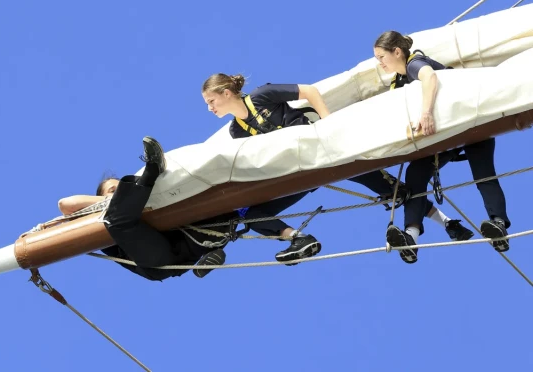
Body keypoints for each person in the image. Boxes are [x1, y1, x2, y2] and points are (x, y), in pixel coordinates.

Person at [201, 74, 467, 259]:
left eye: (211, 101)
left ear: (226, 93)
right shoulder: (238, 130)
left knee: (393, 189)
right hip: (298, 172)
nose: (210, 108)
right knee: (251, 214)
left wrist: (328, 125)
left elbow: (309, 91)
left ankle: (447, 223)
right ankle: (297, 238)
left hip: (323, 151)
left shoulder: (261, 96)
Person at [57, 136, 320, 281]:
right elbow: (65, 205)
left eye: (122, 187)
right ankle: (151, 171)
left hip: (190, 241)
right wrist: (120, 196)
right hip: (158, 261)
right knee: (118, 220)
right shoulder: (102, 214)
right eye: (113, 189)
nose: (119, 191)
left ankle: (296, 238)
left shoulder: (148, 202)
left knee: (240, 209)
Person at [373, 30, 510, 264]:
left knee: (483, 173)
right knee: (416, 173)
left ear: (397, 52)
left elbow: (430, 78)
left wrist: (426, 114)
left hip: (470, 124)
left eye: (381, 57)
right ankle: (410, 237)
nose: (380, 64)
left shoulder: (415, 63)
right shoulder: (398, 83)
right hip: (446, 137)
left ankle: (498, 225)